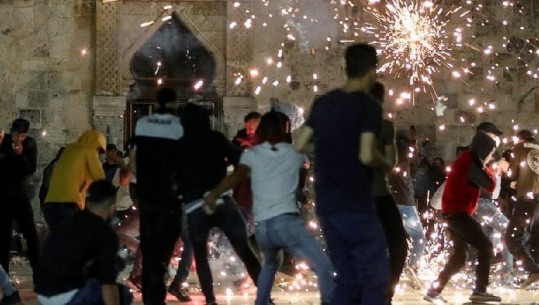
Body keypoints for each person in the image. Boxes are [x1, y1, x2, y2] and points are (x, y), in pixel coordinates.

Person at [205, 111, 335, 305]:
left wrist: (213, 195)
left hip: (264, 227)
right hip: (287, 224)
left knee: (270, 264)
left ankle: (262, 301)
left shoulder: (252, 155)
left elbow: (235, 178)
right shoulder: (294, 154)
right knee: (323, 267)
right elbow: (303, 176)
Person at [295, 43, 390, 305]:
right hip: (355, 202)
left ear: (345, 68)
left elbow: (301, 144)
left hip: (327, 205)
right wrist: (386, 164)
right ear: (373, 70)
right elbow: (366, 154)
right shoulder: (369, 106)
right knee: (376, 276)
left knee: (347, 277)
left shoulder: (324, 103)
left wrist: (329, 147)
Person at [174, 103, 261, 305]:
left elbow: (171, 178)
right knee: (244, 249)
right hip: (223, 200)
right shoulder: (215, 138)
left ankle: (211, 300)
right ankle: (265, 295)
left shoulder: (178, 145)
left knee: (201, 256)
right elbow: (241, 160)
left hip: (195, 205)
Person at [424, 128, 501, 304]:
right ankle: (480, 291)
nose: (490, 155)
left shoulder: (468, 160)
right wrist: (493, 169)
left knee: (459, 257)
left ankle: (434, 292)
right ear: (484, 149)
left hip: (454, 213)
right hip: (457, 214)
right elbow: (489, 185)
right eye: (490, 152)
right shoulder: (470, 162)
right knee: (486, 246)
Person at [34, 180, 132, 305]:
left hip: (43, 293)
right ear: (113, 205)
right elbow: (107, 283)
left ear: (88, 203)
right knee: (123, 293)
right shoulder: (105, 234)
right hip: (67, 296)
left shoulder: (69, 220)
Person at [130, 87, 183, 305]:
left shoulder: (143, 124)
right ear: (175, 103)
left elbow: (134, 157)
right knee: (163, 254)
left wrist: (138, 184)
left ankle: (152, 300)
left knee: (150, 252)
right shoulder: (179, 127)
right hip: (170, 199)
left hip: (148, 197)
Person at [370, 82, 408, 304]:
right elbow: (390, 163)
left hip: (367, 196)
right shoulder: (384, 127)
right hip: (374, 196)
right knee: (396, 246)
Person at [43, 130, 106, 231]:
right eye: (99, 150)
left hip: (50, 204)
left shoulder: (69, 149)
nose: (98, 154)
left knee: (58, 239)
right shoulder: (89, 150)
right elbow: (100, 178)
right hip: (68, 204)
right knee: (71, 240)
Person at [0, 119, 40, 274]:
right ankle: (3, 273)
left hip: (20, 195)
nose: (19, 139)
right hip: (3, 195)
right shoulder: (5, 141)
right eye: (17, 135)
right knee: (3, 236)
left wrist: (20, 154)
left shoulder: (29, 144)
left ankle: (37, 269)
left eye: (23, 135)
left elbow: (30, 169)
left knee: (30, 232)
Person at [389, 132, 425, 290]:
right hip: (406, 205)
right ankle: (412, 266)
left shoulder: (389, 160)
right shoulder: (404, 158)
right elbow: (414, 155)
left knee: (391, 241)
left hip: (392, 205)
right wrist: (414, 145)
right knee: (419, 238)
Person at [471, 153, 514, 285]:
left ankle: (479, 276)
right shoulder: (484, 171)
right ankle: (507, 275)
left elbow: (494, 194)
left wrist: (498, 175)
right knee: (509, 231)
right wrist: (497, 174)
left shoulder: (487, 171)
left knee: (486, 242)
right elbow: (490, 192)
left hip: (481, 206)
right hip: (483, 205)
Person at [505, 129, 539, 288]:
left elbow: (512, 175)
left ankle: (533, 271)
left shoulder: (518, 148)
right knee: (535, 239)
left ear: (519, 138)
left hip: (527, 198)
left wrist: (505, 169)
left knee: (512, 238)